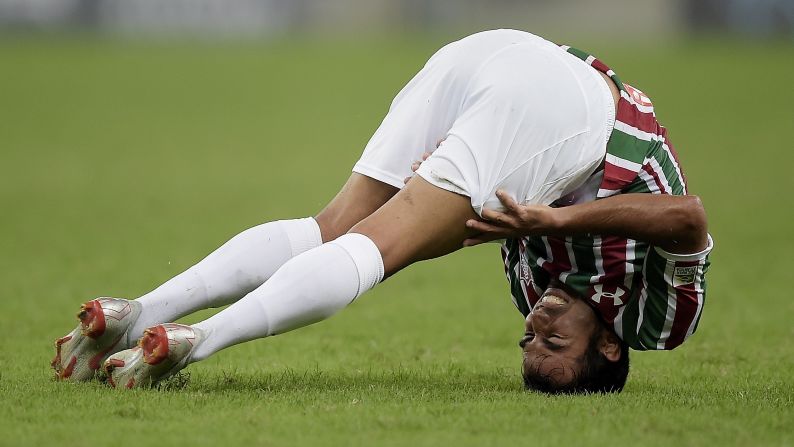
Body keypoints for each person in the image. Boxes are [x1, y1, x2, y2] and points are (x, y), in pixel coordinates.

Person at [51, 29, 711, 394]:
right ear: (608, 343)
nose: (536, 324)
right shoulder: (661, 321)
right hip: (571, 113)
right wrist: (551, 221)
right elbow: (687, 218)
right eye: (554, 339)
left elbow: (478, 224)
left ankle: (139, 312)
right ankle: (200, 342)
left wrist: (427, 199)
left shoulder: (533, 289)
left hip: (482, 55)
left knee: (333, 230)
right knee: (376, 252)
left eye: (528, 339)